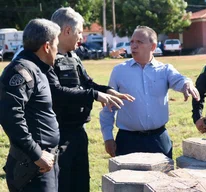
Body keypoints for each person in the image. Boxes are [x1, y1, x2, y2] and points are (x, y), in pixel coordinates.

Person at [50, 7, 134, 192]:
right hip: (59, 134)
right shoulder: (49, 58)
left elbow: (88, 84)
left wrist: (110, 91)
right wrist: (94, 95)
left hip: (78, 132)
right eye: (80, 32)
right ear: (67, 31)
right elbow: (57, 93)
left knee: (80, 183)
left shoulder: (74, 56)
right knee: (63, 184)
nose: (82, 37)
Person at [99, 26, 200, 159]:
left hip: (158, 140)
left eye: (139, 42)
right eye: (132, 42)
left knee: (163, 178)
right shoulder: (119, 71)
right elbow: (109, 108)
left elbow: (179, 80)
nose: (133, 46)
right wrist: (108, 138)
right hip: (128, 141)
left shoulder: (165, 70)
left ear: (152, 47)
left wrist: (187, 84)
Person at [0, 19, 60, 192]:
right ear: (47, 46)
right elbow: (10, 116)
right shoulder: (20, 71)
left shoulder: (38, 68)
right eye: (56, 44)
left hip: (43, 161)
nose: (57, 50)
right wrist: (37, 154)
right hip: (32, 166)